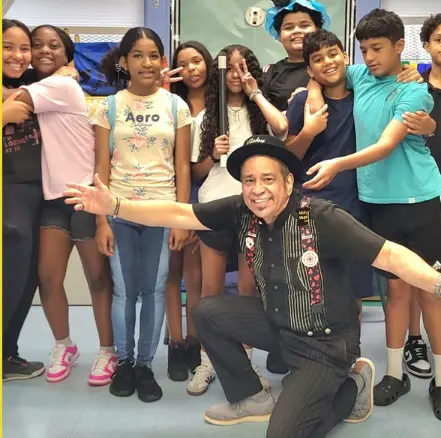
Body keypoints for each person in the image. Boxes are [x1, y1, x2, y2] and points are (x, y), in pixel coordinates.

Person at [63, 135, 441, 437]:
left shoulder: (321, 217)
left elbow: (390, 255)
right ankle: (252, 396)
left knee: (284, 433)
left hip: (325, 344)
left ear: (288, 182)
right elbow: (179, 212)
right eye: (249, 180)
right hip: (279, 325)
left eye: (268, 179)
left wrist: (437, 283)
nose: (257, 189)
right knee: (207, 312)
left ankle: (352, 388)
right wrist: (114, 205)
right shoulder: (242, 210)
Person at [301, 9, 441, 419]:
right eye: (364, 49)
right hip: (378, 204)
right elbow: (325, 70)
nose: (370, 57)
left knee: (429, 291)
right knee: (395, 292)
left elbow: (385, 146)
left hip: (420, 202)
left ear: (400, 46)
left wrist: (337, 164)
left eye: (377, 48)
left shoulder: (414, 91)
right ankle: (395, 375)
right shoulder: (361, 76)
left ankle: (440, 380)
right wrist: (312, 89)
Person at [94, 27, 192, 402]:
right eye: (138, 55)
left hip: (161, 212)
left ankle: (145, 366)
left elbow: (182, 168)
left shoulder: (176, 107)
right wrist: (100, 220)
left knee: (154, 291)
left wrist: (181, 218)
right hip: (117, 211)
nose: (147, 63)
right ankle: (124, 363)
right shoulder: (108, 107)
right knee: (124, 291)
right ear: (124, 61)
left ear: (162, 61)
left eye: (153, 55)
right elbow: (101, 167)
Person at [15, 25, 115, 385]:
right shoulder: (45, 83)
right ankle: (64, 345)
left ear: (67, 55)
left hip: (84, 195)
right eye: (36, 45)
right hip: (53, 199)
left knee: (97, 279)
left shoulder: (61, 85)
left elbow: (12, 102)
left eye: (53, 45)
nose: (44, 50)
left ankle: (107, 350)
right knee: (48, 278)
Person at [188, 44, 288, 396]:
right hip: (215, 208)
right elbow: (197, 172)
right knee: (210, 291)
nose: (235, 74)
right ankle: (207, 362)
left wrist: (255, 92)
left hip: (254, 212)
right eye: (229, 68)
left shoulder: (260, 112)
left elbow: (282, 128)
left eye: (242, 67)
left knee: (248, 290)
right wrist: (212, 154)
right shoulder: (205, 118)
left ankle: (246, 364)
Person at [285, 29, 374, 309]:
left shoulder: (363, 96)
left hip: (355, 204)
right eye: (318, 59)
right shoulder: (302, 102)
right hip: (307, 205)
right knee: (307, 284)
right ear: (310, 70)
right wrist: (309, 132)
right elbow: (287, 157)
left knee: (353, 290)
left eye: (333, 54)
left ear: (345, 56)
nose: (328, 62)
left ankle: (351, 340)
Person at [165, 41, 213, 382]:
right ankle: (175, 342)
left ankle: (195, 341)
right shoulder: (169, 103)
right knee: (172, 270)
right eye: (183, 64)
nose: (191, 69)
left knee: (194, 274)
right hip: (169, 188)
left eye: (197, 61)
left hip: (207, 191)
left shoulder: (222, 102)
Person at [2, 18, 45, 382]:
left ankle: (7, 354)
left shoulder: (31, 85)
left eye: (24, 48)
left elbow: (68, 68)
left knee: (27, 278)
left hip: (35, 191)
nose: (17, 55)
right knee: (10, 276)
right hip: (8, 191)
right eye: (7, 47)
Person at [401, 13, 441, 382]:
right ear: (426, 44)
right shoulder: (414, 84)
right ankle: (415, 339)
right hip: (422, 190)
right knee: (419, 269)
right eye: (439, 39)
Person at [263, 0, 330, 111]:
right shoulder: (269, 72)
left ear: (318, 30)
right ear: (279, 35)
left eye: (304, 25)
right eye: (288, 28)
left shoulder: (331, 67)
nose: (296, 31)